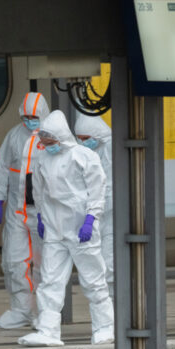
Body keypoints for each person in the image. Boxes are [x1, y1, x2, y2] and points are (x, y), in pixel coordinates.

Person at [18, 110, 114, 347]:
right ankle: (48, 330)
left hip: (81, 229)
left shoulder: (84, 156)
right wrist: (41, 216)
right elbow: (39, 191)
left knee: (93, 280)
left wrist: (91, 218)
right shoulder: (42, 159)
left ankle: (105, 327)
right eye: (44, 141)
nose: (46, 145)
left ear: (60, 136)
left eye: (49, 140)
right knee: (50, 281)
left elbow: (97, 190)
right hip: (54, 229)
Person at [0, 92, 50, 329]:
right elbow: (3, 167)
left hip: (43, 212)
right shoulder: (14, 135)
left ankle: (44, 313)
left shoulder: (52, 135)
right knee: (14, 262)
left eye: (34, 117)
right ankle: (21, 310)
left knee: (44, 264)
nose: (29, 121)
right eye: (26, 117)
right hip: (17, 209)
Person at [73, 113, 113, 284]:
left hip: (111, 213)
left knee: (109, 258)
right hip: (95, 213)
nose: (82, 142)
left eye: (86, 138)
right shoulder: (86, 152)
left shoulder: (111, 148)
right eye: (80, 138)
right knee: (96, 261)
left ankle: (112, 295)